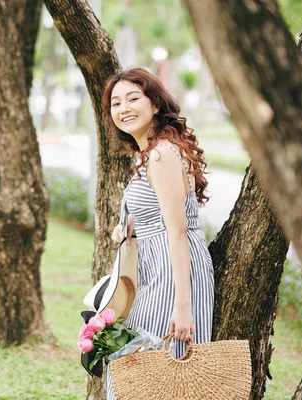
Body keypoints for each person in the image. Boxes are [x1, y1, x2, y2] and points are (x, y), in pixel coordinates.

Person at [101, 68, 214, 399]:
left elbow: (177, 232)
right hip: (157, 267)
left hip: (172, 272)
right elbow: (162, 212)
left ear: (155, 104)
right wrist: (134, 224)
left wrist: (182, 306)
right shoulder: (152, 152)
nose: (124, 108)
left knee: (160, 373)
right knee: (143, 373)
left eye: (134, 98)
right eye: (116, 103)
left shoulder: (162, 154)